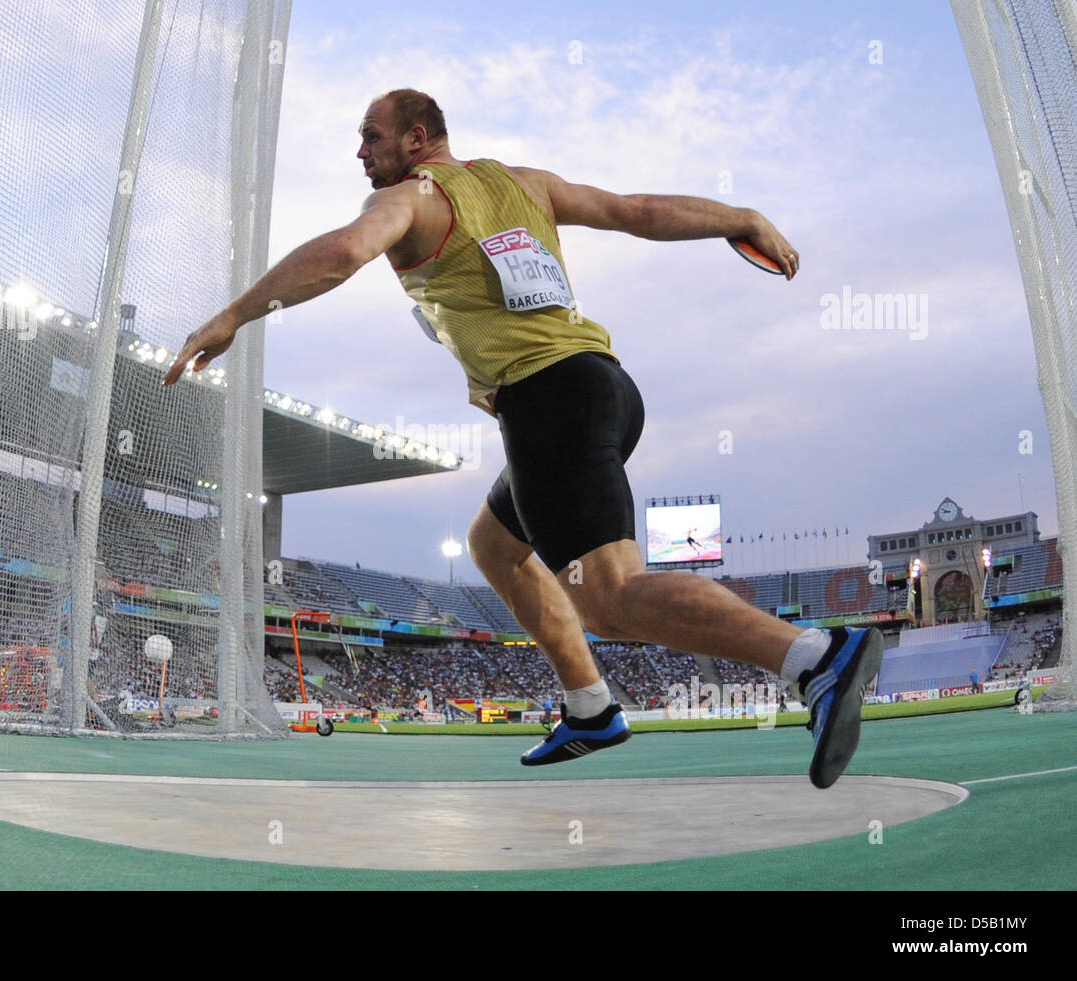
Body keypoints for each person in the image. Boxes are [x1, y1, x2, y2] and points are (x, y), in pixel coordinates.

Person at [163, 89, 883, 788]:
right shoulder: (525, 185)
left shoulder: (410, 198)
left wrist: (235, 315)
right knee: (493, 544)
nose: (360, 151)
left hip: (548, 401)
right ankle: (591, 705)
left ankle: (815, 658)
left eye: (371, 136)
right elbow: (635, 211)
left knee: (609, 596)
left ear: (418, 139)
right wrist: (740, 216)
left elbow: (345, 252)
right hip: (603, 387)